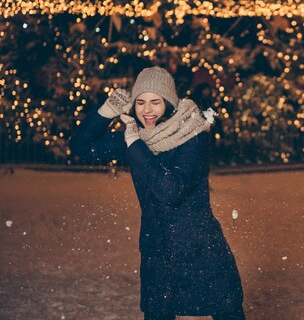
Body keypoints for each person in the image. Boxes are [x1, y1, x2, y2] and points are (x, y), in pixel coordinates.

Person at [70, 67, 245, 320]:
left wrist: (134, 146)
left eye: (155, 102)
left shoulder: (192, 137)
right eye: (140, 102)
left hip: (199, 249)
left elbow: (170, 190)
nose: (146, 110)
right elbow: (81, 148)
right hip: (158, 250)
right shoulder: (135, 137)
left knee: (226, 312)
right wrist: (104, 113)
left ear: (169, 103)